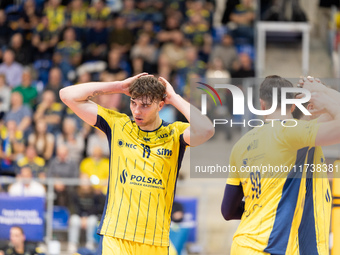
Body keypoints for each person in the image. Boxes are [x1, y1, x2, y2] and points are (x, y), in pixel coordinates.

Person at [60, 73, 214, 254]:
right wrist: (118, 86)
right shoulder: (117, 125)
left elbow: (207, 130)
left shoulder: (175, 133)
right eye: (134, 103)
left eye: (145, 105)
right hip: (116, 235)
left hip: (154, 239)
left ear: (160, 105)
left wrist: (175, 98)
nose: (137, 111)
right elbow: (66, 95)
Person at [221, 75, 340, 255]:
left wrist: (260, 208)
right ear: (293, 106)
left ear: (261, 105)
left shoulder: (240, 145)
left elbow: (227, 210)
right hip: (272, 246)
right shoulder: (294, 134)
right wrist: (324, 91)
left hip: (242, 244)